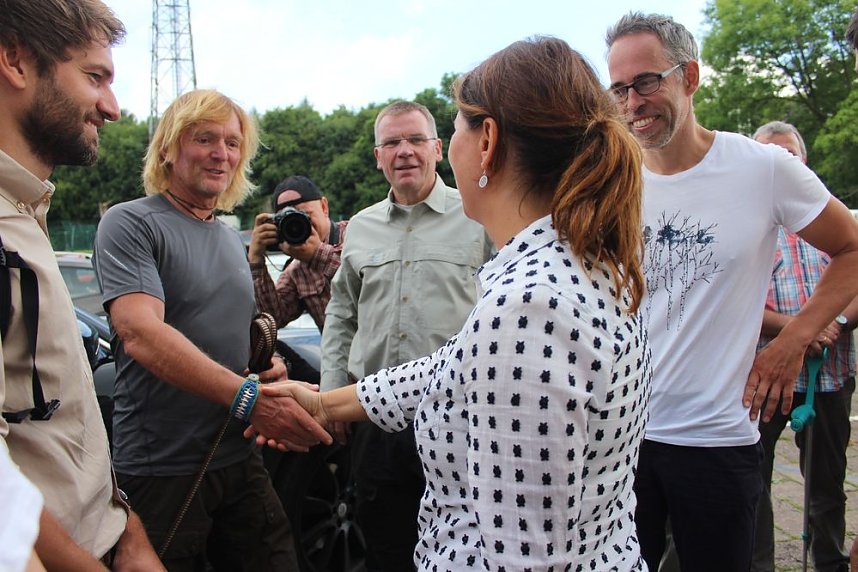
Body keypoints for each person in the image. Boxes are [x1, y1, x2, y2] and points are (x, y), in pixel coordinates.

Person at [252, 35, 651, 570]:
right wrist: (325, 403)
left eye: (454, 126)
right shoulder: (570, 263)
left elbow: (525, 558)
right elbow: (451, 365)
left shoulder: (528, 305)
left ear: (485, 141)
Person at [606, 12, 858, 571]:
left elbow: (852, 251)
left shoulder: (763, 168)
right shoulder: (612, 180)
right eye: (619, 89)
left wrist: (792, 341)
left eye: (647, 82)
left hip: (718, 437)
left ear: (689, 76)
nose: (633, 103)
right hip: (621, 439)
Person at [93, 89, 331, 571]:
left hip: (237, 454)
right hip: (163, 467)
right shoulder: (130, 222)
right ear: (168, 147)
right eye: (204, 138)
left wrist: (267, 367)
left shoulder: (227, 235)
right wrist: (249, 399)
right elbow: (139, 333)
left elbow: (236, 331)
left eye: (232, 142)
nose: (221, 153)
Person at [0, 1, 162, 569]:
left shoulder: (25, 214)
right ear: (15, 58)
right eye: (95, 77)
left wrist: (124, 526)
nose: (112, 108)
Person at [319, 100, 492, 570]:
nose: (405, 152)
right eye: (392, 142)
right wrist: (331, 393)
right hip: (375, 420)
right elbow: (341, 313)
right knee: (385, 545)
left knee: (464, 548)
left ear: (438, 149)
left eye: (416, 140)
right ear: (377, 156)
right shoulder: (360, 229)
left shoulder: (479, 216)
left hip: (458, 420)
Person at [751, 121, 856, 572]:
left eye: (789, 154)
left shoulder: (840, 219)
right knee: (754, 481)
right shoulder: (749, 227)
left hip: (829, 374)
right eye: (769, 155)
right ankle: (757, 565)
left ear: (804, 161)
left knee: (828, 484)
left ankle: (830, 562)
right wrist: (797, 330)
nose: (781, 162)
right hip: (768, 376)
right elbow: (733, 302)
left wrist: (833, 322)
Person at [249, 175, 348, 383]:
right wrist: (256, 260)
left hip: (383, 363)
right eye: (289, 221)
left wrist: (317, 255)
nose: (299, 225)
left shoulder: (356, 234)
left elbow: (366, 281)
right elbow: (272, 319)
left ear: (324, 206)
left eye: (305, 215)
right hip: (340, 371)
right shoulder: (296, 270)